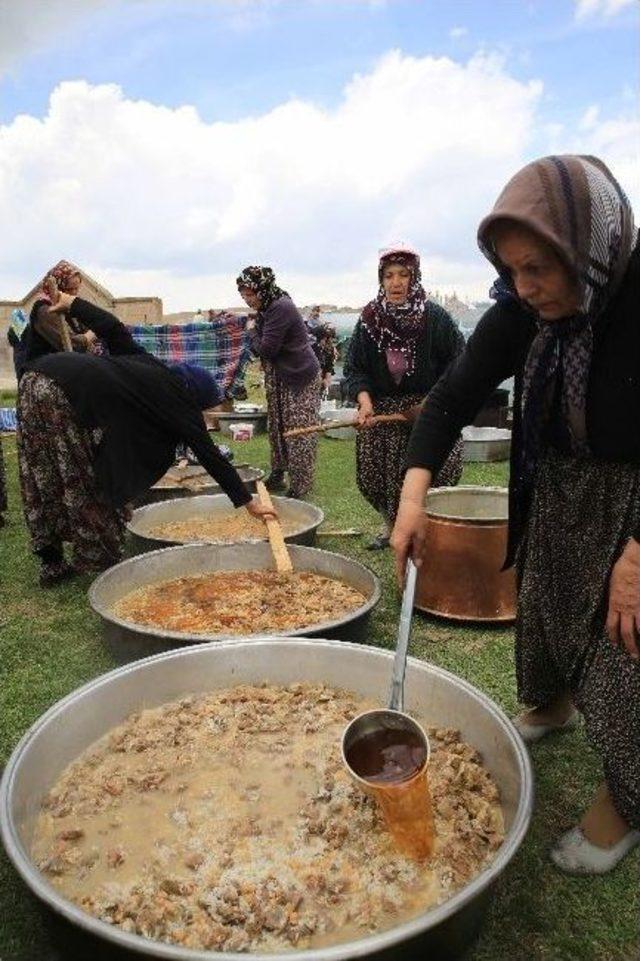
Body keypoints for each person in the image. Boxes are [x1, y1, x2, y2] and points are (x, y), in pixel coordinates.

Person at [392, 155, 640, 874]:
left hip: (633, 499)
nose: (524, 289)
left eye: (539, 269)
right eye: (512, 269)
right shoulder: (523, 309)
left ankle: (625, 801)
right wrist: (412, 502)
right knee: (546, 602)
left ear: (584, 249)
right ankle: (552, 703)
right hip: (558, 484)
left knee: (626, 638)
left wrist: (637, 552)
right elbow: (450, 397)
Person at [18, 292, 275, 586]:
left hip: (35, 379)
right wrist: (247, 501)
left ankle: (51, 562)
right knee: (84, 478)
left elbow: (111, 327)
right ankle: (97, 557)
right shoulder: (180, 401)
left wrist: (73, 303)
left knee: (41, 472)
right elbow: (209, 454)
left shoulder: (148, 363)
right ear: (196, 397)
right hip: (64, 396)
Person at [343, 244, 465, 549]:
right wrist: (365, 402)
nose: (396, 282)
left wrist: (437, 401)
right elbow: (355, 367)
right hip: (383, 409)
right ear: (381, 279)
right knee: (376, 475)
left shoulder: (435, 318)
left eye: (403, 275)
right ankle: (390, 526)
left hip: (428, 408)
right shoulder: (370, 320)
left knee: (432, 470)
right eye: (389, 276)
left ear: (415, 277)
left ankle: (425, 525)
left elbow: (460, 362)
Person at [236, 266, 321, 497]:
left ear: (263, 289)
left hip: (299, 375)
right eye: (243, 295)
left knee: (299, 431)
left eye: (250, 294)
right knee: (278, 428)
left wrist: (252, 331)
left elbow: (267, 349)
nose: (247, 300)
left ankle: (300, 487)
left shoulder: (280, 307)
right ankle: (279, 474)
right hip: (280, 377)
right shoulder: (266, 307)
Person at [24, 261, 99, 368]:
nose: (74, 293)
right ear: (59, 287)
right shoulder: (45, 309)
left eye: (76, 288)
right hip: (45, 371)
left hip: (67, 366)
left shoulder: (68, 306)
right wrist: (89, 336)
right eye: (69, 289)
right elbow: (70, 343)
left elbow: (88, 325)